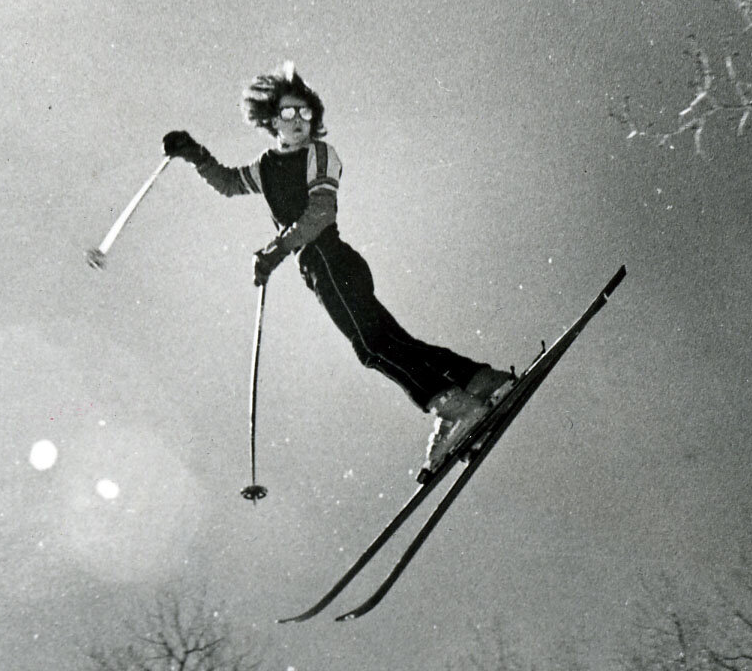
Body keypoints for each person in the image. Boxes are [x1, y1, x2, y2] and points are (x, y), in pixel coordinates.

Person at [162, 62, 513, 476]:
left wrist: (277, 249)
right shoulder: (266, 166)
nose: (298, 119)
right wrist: (195, 155)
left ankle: (454, 405)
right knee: (389, 339)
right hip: (316, 268)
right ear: (272, 120)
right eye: (288, 112)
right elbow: (228, 183)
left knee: (372, 346)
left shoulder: (319, 153)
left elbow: (321, 211)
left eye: (306, 112)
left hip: (330, 257)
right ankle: (478, 382)